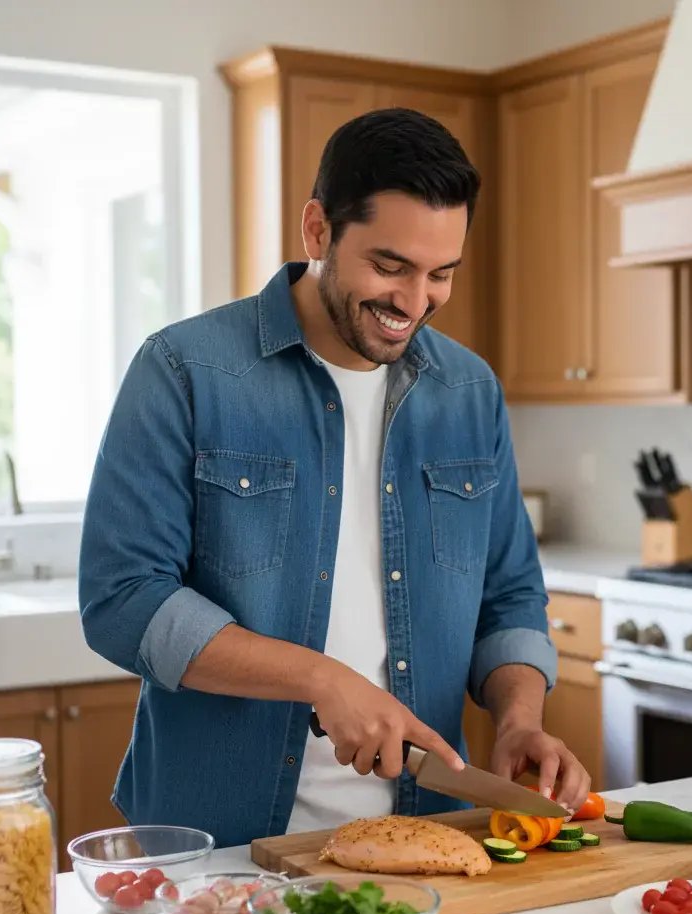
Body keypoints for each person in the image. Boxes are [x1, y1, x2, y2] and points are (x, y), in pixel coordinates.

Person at [79, 107, 590, 848]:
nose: (414, 304)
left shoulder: (468, 392)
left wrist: (519, 722)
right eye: (389, 267)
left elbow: (509, 597)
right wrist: (320, 678)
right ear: (317, 230)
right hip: (216, 846)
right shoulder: (186, 371)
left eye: (440, 274)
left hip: (424, 838)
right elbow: (122, 601)